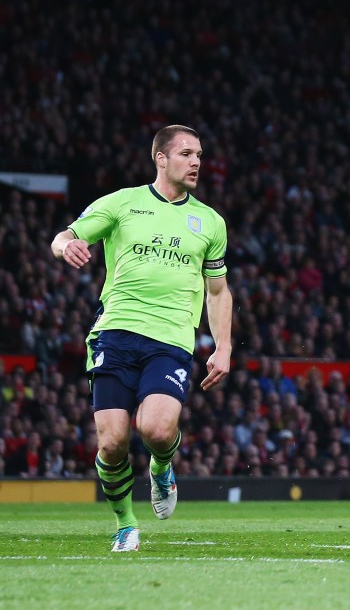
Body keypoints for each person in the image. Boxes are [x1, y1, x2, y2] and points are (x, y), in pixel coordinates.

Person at [50, 125, 233, 552]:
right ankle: (125, 523)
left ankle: (162, 466)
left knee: (154, 428)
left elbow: (218, 289)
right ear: (161, 159)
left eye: (200, 155)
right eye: (187, 154)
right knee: (112, 442)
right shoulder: (123, 203)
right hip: (114, 333)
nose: (196, 163)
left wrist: (223, 346)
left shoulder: (209, 221)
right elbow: (65, 236)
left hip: (170, 339)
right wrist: (66, 248)